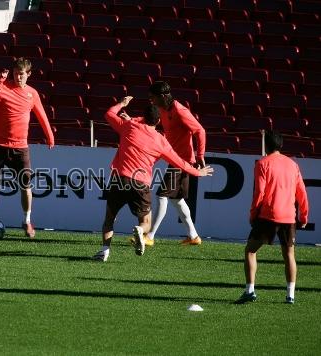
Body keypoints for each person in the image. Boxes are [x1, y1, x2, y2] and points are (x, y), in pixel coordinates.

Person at [92, 98, 213, 262]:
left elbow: (109, 114)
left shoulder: (129, 126)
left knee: (109, 218)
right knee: (145, 222)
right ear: (158, 121)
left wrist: (122, 104)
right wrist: (199, 172)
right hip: (140, 183)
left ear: (142, 117)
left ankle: (104, 251)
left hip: (118, 179)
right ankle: (141, 232)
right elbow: (180, 162)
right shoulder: (161, 141)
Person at [0, 57, 55, 238]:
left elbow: (42, 116)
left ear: (28, 74)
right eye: (15, 73)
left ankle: (27, 221)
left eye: (21, 74)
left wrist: (50, 136)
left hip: (20, 147)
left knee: (26, 185)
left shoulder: (32, 94)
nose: (18, 77)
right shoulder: (3, 87)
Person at [235, 131, 308, 305]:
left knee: (250, 250)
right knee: (289, 255)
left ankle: (250, 290)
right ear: (281, 145)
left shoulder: (262, 163)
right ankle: (290, 295)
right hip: (289, 216)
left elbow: (259, 192)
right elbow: (302, 193)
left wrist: (253, 214)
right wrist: (303, 215)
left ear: (266, 145)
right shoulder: (292, 164)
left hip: (268, 215)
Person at [146, 81, 207, 246]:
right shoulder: (162, 109)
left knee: (161, 195)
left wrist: (200, 155)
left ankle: (150, 236)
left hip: (183, 161)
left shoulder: (180, 110)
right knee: (177, 200)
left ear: (163, 96)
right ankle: (193, 236)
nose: (151, 100)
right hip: (175, 159)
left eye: (153, 97)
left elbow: (200, 131)